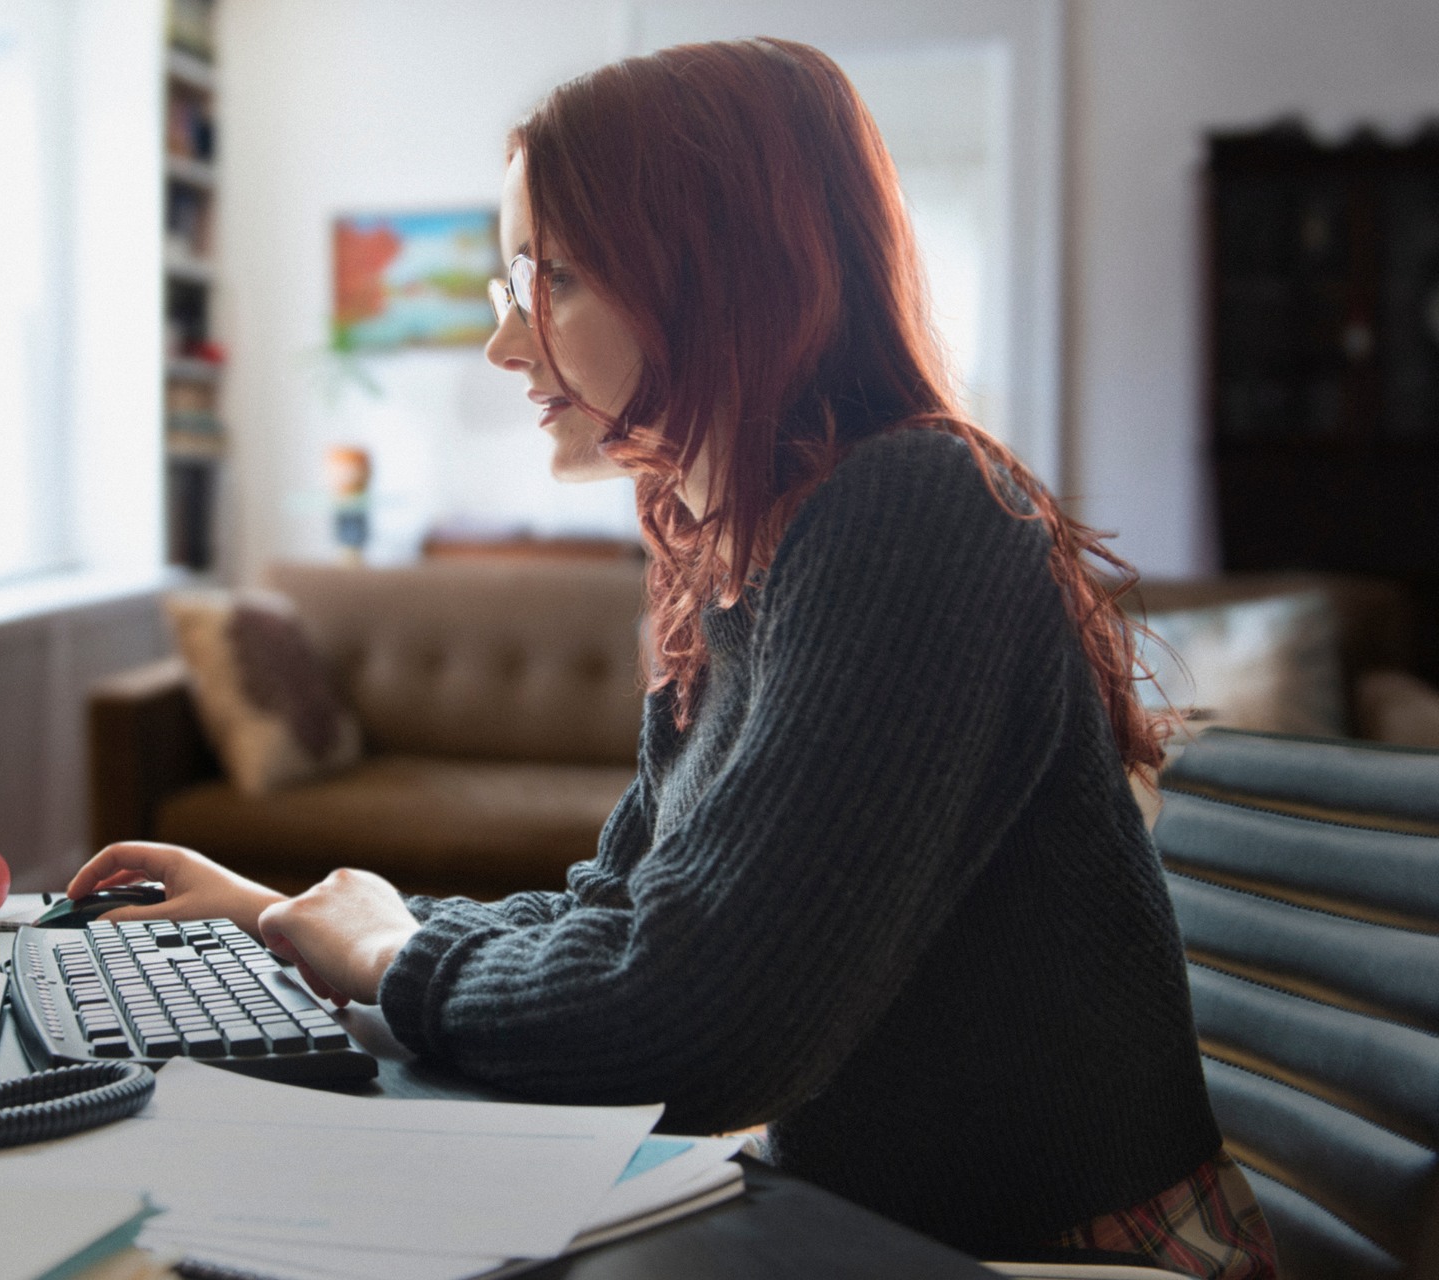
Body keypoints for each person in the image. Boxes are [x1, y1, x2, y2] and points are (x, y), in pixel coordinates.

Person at [69, 38, 1276, 1277]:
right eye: (511, 285)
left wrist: (390, 950)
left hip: (1070, 1256)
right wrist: (296, 918)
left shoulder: (913, 508)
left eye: (561, 280)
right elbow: (623, 914)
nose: (506, 344)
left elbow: (692, 1018)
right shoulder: (730, 558)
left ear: (723, 275)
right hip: (868, 1223)